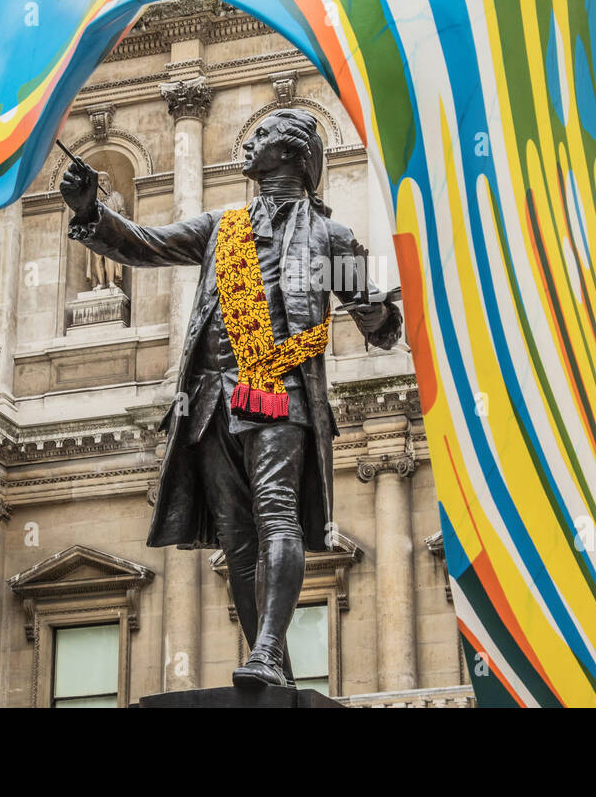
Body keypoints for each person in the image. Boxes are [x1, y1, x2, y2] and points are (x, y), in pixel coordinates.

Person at [60, 108, 401, 688]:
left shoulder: (329, 237)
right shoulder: (225, 225)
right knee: (237, 539)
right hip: (213, 400)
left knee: (276, 515)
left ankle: (268, 649)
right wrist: (91, 212)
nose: (252, 141)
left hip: (280, 393)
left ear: (293, 154)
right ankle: (273, 663)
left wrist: (378, 308)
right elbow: (146, 244)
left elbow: (381, 325)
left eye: (264, 135)